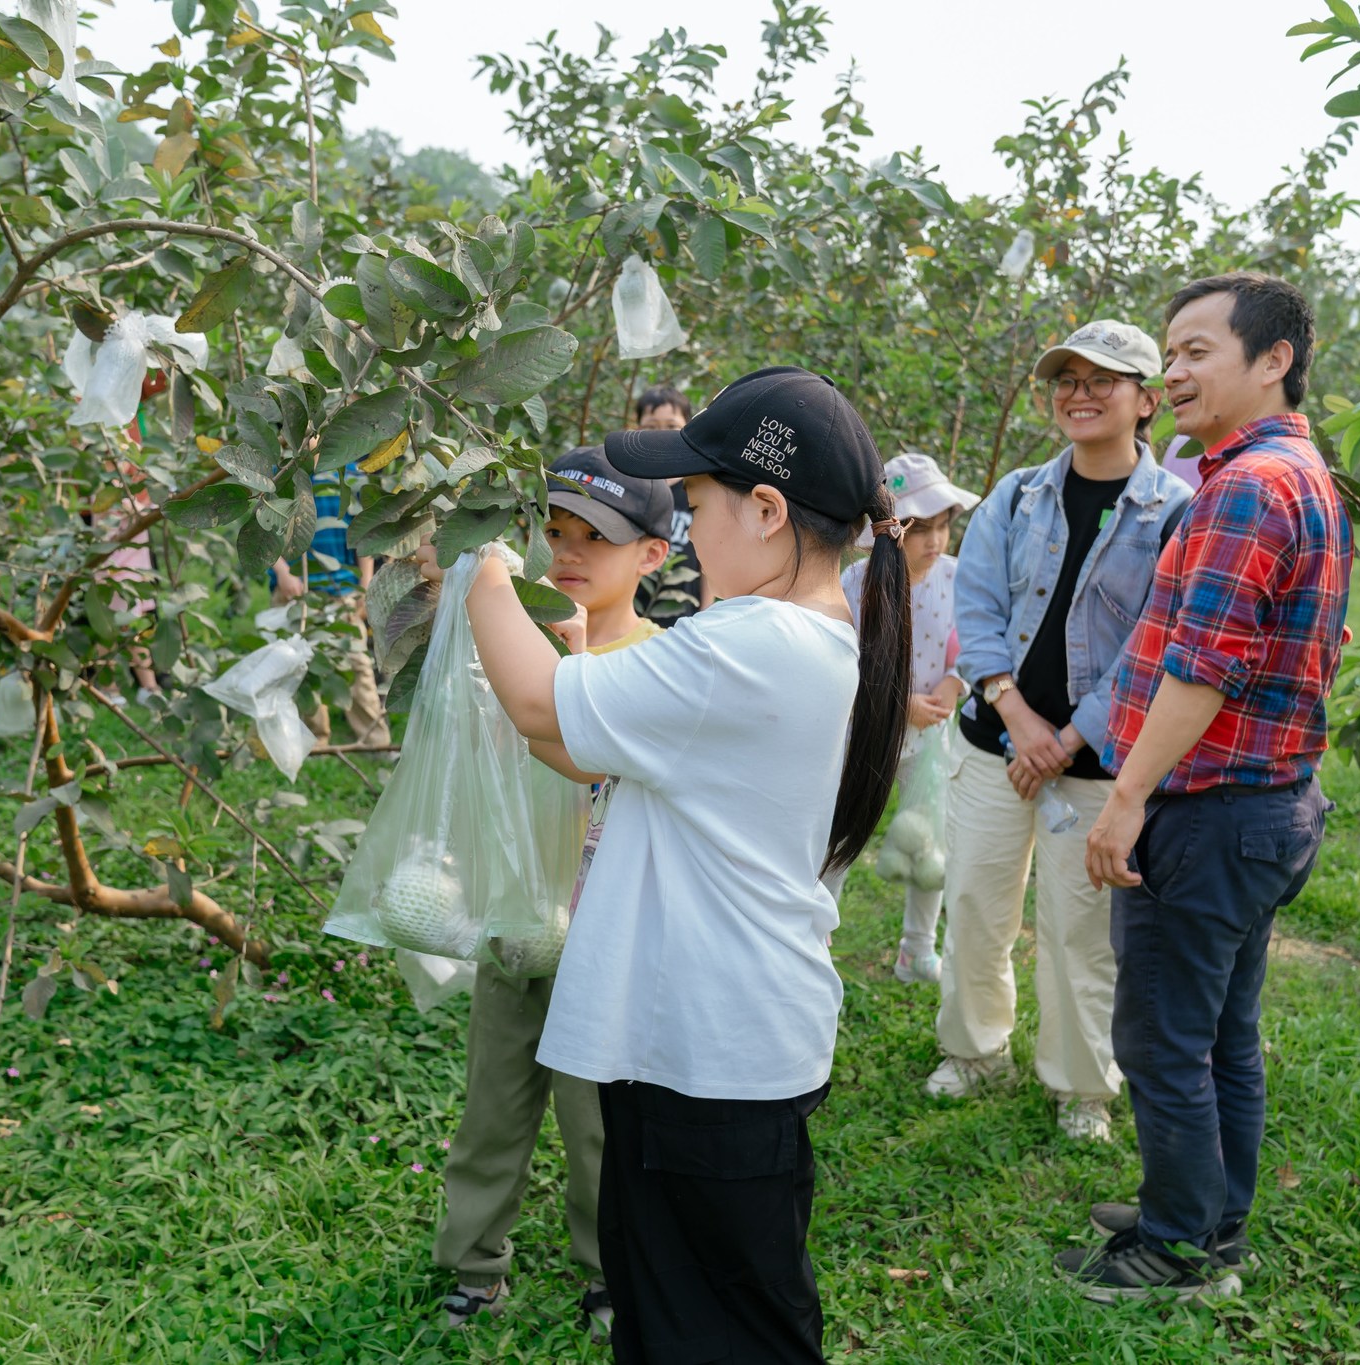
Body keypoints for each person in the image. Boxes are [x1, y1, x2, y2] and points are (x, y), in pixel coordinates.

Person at [417, 366, 910, 1363]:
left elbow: (535, 708)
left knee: (723, 1331)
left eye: (692, 508)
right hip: (703, 1046)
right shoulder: (802, 640)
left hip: (707, 1056)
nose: (682, 534)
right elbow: (574, 744)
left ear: (765, 511)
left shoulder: (753, 644)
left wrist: (479, 576)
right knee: (685, 1311)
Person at [1062, 273, 1349, 1302]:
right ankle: (1205, 1214)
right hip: (1264, 804)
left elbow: (1201, 663)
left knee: (1160, 1037)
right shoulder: (1299, 474)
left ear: (1271, 360)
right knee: (1220, 1030)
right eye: (1168, 353)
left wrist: (1126, 796)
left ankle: (1179, 1251)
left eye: (1195, 352)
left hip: (1211, 809)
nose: (1172, 371)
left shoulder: (1242, 488)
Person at [933, 321, 1193, 1144]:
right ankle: (975, 1050)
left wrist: (1069, 740)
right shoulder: (1017, 494)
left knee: (1081, 929)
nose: (1080, 394)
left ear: (1147, 400)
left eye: (1103, 380)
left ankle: (1083, 1083)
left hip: (1099, 765)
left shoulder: (1175, 512)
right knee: (976, 901)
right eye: (1067, 379)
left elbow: (1157, 640)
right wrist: (1014, 715)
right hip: (993, 746)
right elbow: (977, 611)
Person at [434, 448, 673, 1337]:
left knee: (599, 1128)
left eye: (597, 540)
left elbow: (601, 761)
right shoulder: (516, 651)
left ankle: (610, 1272)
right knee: (493, 1106)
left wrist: (575, 663)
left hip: (606, 942)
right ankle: (473, 1262)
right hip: (517, 924)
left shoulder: (662, 664)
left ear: (653, 555)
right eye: (555, 533)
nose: (569, 554)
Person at [832, 453, 978, 983]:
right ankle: (815, 933)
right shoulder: (856, 582)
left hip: (931, 737)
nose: (934, 541)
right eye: (920, 529)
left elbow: (972, 640)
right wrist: (897, 703)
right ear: (889, 531)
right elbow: (843, 655)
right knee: (840, 834)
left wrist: (950, 684)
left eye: (943, 526)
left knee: (930, 845)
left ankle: (917, 949)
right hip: (866, 733)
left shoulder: (957, 579)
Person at [269, 467, 389, 747]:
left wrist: (365, 583)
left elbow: (365, 534)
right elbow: (263, 529)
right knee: (301, 667)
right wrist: (283, 573)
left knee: (357, 665)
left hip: (342, 588)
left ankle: (376, 741)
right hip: (296, 593)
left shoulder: (350, 475)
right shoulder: (280, 474)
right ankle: (315, 741)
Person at [629, 384, 715, 625]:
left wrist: (706, 610)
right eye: (651, 427)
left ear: (687, 428)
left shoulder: (698, 486)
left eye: (671, 426)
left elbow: (707, 554)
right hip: (631, 611)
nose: (660, 434)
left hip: (683, 615)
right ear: (637, 429)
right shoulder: (631, 484)